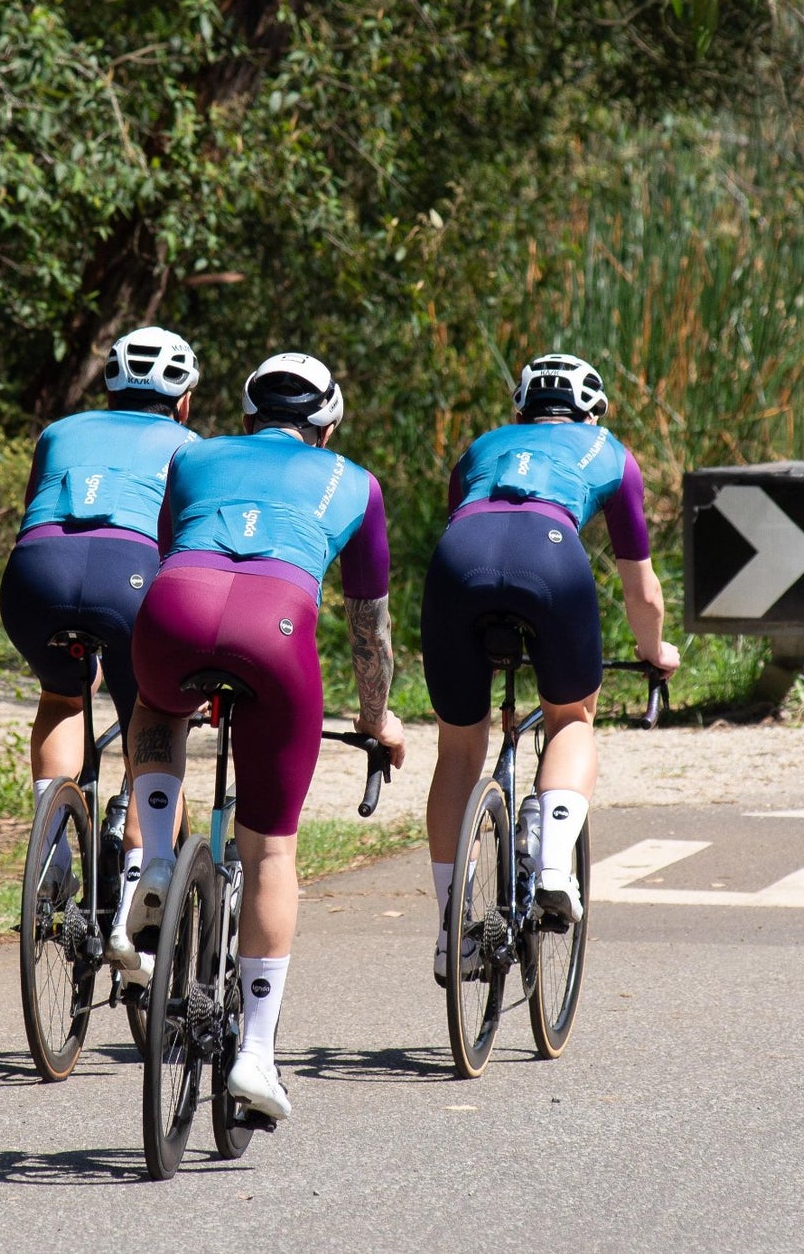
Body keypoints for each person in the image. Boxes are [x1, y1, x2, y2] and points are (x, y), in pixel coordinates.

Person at [110, 351, 407, 1122]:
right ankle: (254, 1055)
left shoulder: (192, 452)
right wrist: (376, 718)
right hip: (275, 629)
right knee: (270, 848)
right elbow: (367, 628)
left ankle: (157, 860)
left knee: (155, 711)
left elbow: (173, 542)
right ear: (328, 422)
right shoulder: (355, 481)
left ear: (244, 415)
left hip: (175, 608)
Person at [420, 351, 680, 977]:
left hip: (460, 561)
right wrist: (654, 652)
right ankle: (554, 861)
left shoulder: (483, 446)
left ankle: (454, 930)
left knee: (458, 749)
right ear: (596, 414)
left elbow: (471, 515)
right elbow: (639, 589)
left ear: (520, 411)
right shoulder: (610, 452)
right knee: (571, 717)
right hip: (552, 558)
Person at [0, 326, 200, 900]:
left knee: (63, 695)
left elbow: (34, 511)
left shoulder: (58, 431)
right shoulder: (192, 448)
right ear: (184, 401)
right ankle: (141, 895)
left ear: (109, 387)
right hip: (130, 575)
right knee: (154, 719)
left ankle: (52, 852)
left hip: (36, 574)